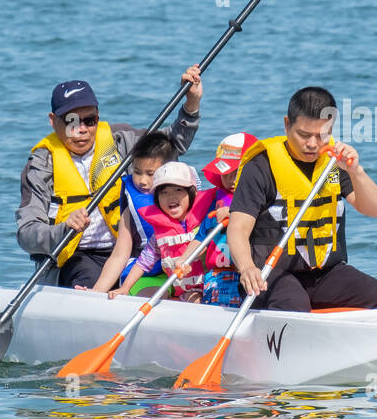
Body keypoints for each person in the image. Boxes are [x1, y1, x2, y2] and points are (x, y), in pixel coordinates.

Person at [16, 67, 201, 290]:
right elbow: (26, 233)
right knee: (90, 281)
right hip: (78, 257)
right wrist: (63, 229)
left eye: (89, 120)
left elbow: (173, 143)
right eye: (72, 121)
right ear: (53, 120)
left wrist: (191, 104)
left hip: (130, 249)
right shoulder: (40, 166)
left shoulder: (122, 140)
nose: (81, 130)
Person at [227, 86, 377, 312]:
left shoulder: (334, 163)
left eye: (321, 135)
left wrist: (356, 172)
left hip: (324, 274)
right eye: (304, 135)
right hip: (269, 274)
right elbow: (238, 228)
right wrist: (247, 268)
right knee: (294, 303)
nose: (312, 144)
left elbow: (374, 209)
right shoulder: (260, 166)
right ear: (287, 124)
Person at [88, 131, 182, 296]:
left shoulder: (185, 198)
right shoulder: (131, 208)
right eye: (137, 172)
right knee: (152, 295)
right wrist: (96, 292)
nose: (142, 180)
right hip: (147, 274)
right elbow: (119, 256)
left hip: (182, 268)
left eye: (151, 174)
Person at [112, 162, 215, 301]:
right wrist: (125, 288)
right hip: (185, 289)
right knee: (147, 295)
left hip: (211, 284)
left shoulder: (206, 219)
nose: (171, 197)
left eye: (178, 190)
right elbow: (143, 262)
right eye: (164, 192)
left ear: (192, 192)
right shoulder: (160, 234)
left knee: (195, 298)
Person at [197, 132, 257, 307]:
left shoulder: (262, 200)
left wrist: (234, 214)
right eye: (225, 173)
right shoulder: (215, 202)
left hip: (248, 271)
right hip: (219, 274)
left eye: (237, 172)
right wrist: (185, 259)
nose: (230, 180)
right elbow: (201, 236)